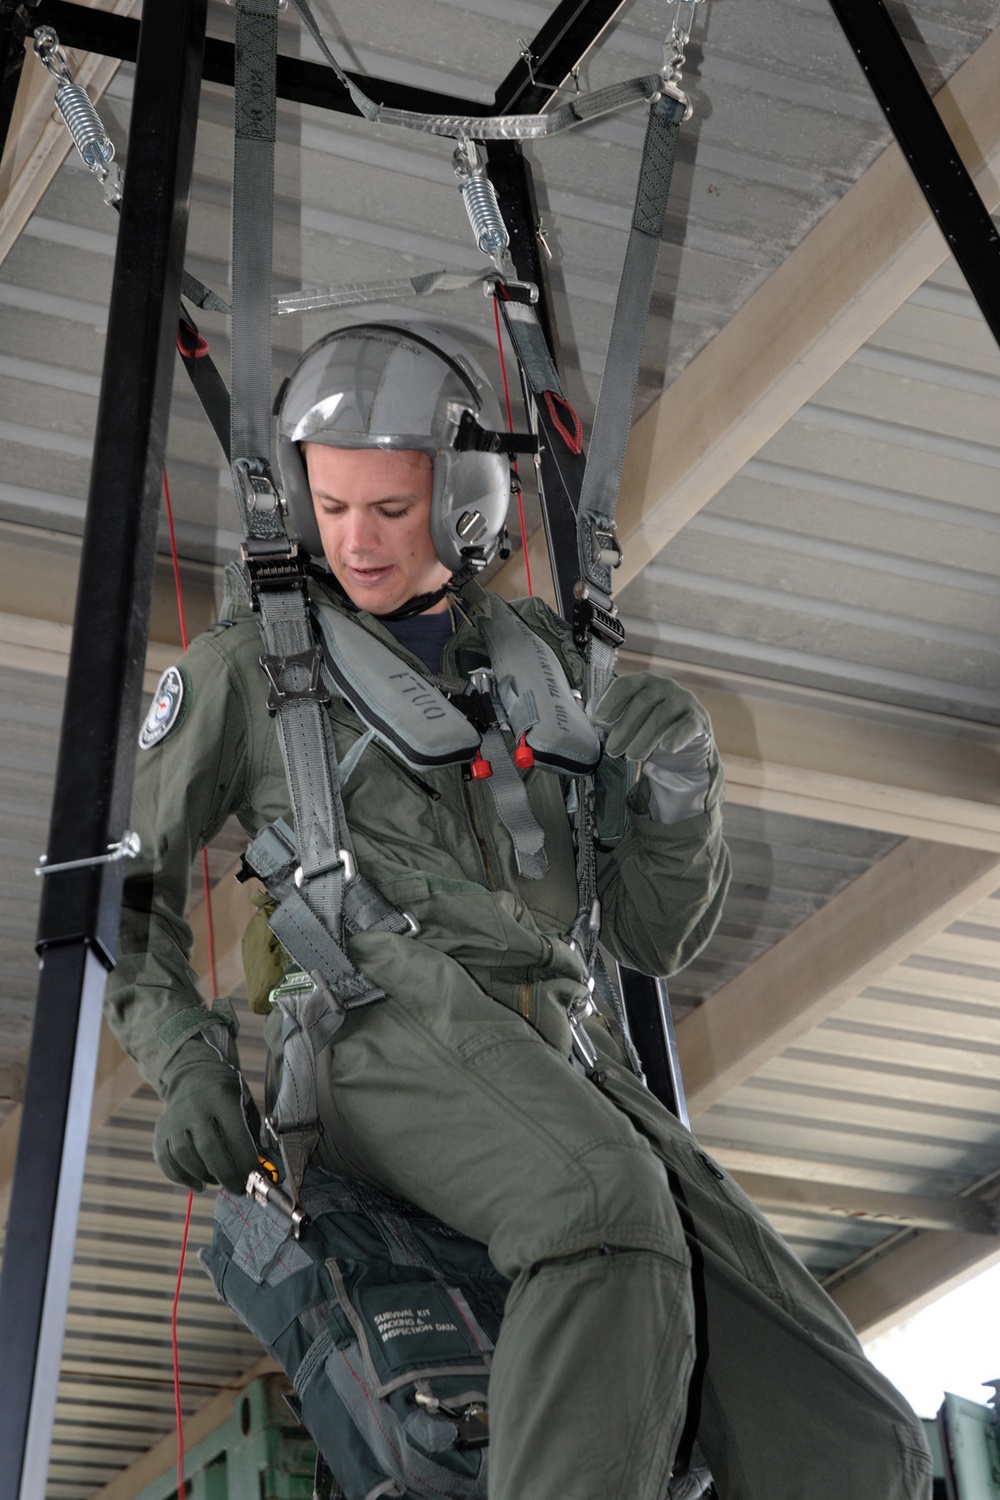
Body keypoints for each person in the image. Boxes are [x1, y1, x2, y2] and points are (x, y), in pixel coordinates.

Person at [106, 322, 932, 1500]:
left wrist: (677, 798)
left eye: (389, 509)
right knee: (598, 1209)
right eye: (331, 506)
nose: (355, 539)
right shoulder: (251, 669)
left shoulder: (540, 666)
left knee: (849, 1435)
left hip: (563, 1049)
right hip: (376, 1026)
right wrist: (187, 1058)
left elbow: (650, 936)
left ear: (462, 506)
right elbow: (125, 886)